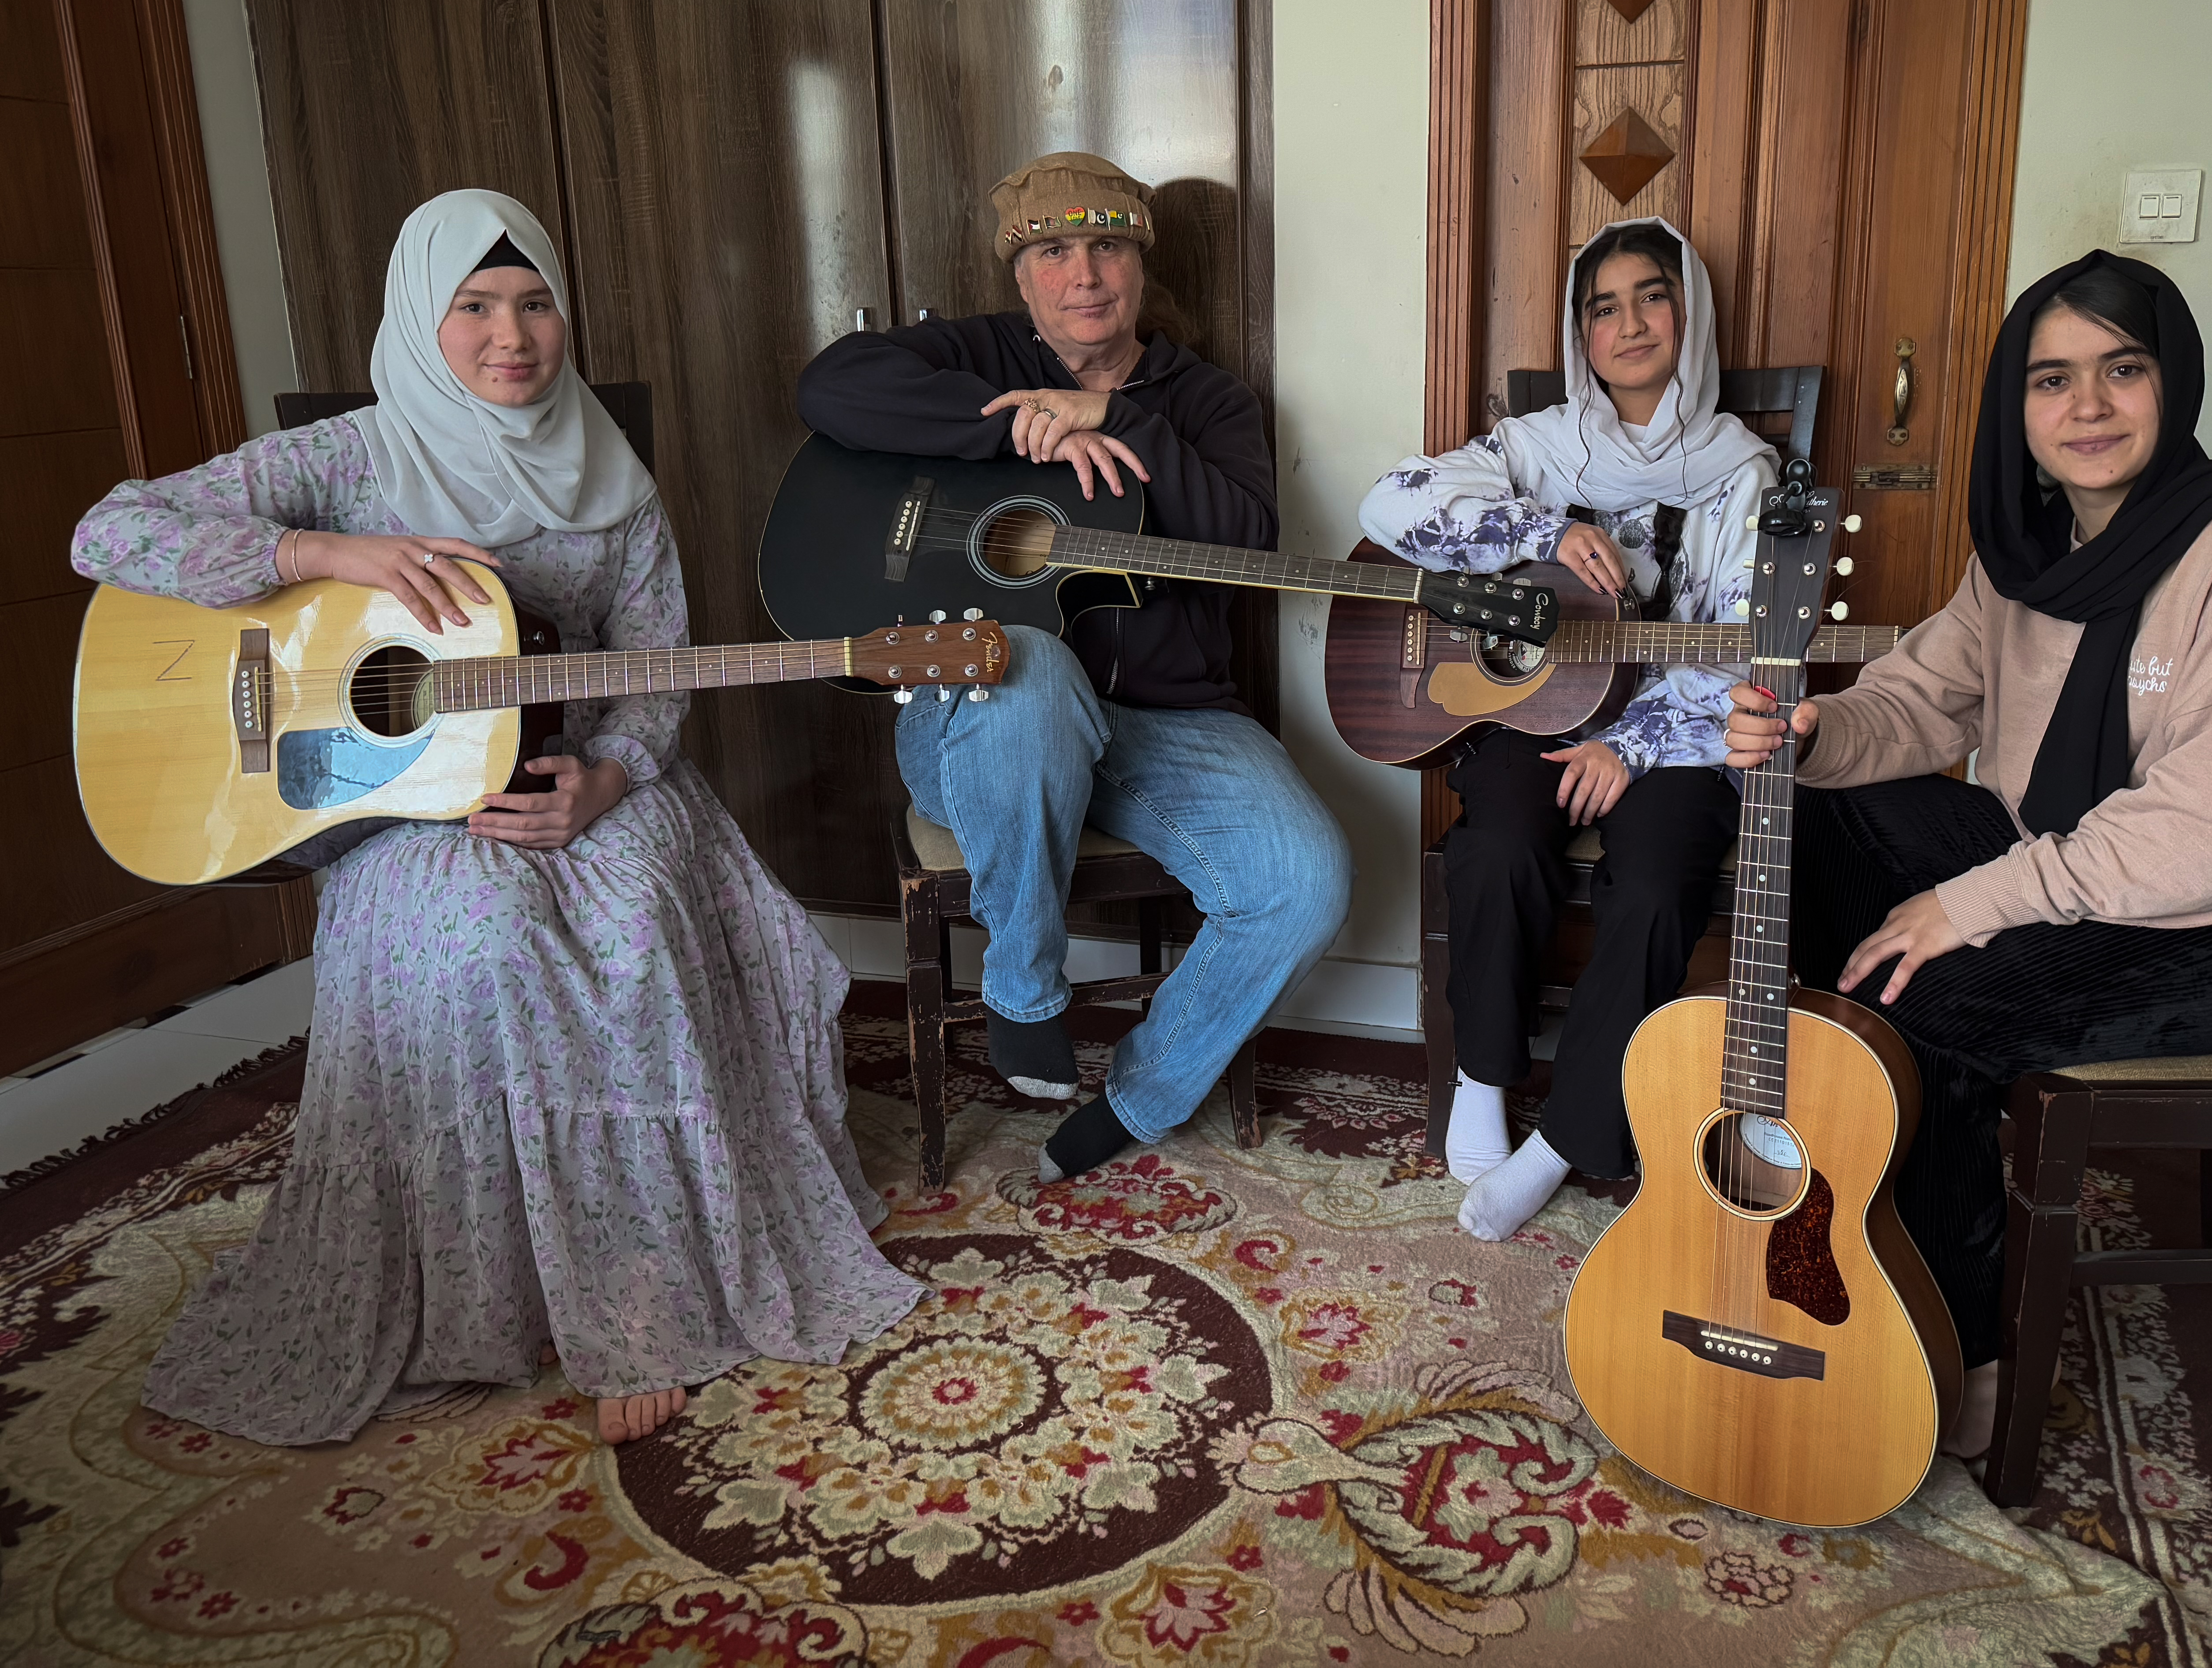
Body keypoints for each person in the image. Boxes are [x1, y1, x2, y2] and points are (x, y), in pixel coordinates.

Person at [75, 190, 924, 1447]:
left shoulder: (613, 478)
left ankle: (637, 1287)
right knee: (478, 940)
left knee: (629, 924)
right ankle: (483, 1289)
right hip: (397, 799)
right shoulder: (347, 460)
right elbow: (110, 530)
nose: (510, 336)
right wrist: (320, 556)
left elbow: (658, 656)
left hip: (590, 762)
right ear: (424, 318)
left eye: (534, 304)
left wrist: (613, 777)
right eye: (473, 306)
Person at [1725, 250, 2212, 1456]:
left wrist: (1971, 903)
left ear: (2172, 381)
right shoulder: (2026, 548)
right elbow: (1926, 701)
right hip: (2073, 864)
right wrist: (1817, 732)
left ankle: (1962, 1343)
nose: (2087, 407)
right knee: (1816, 815)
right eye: (2053, 378)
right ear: (2016, 404)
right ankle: (1852, 1178)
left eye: (2121, 369)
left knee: (1928, 990)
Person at [796, 151, 1350, 1183]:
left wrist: (1120, 421)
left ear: (1141, 267)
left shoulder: (1207, 402)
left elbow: (1249, 546)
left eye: (1108, 247)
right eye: (1055, 251)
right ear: (1022, 277)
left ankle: (1141, 1097)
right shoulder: (974, 355)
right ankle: (1024, 993)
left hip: (1170, 723)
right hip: (981, 715)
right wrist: (1011, 421)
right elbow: (829, 386)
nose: (1084, 273)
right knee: (1035, 665)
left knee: (1304, 881)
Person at [1361, 219, 1775, 1242]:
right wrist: (1546, 530)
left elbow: (1736, 649)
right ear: (1579, 332)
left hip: (1678, 730)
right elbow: (1389, 507)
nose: (1630, 324)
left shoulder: (1743, 469)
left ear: (1692, 314)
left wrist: (1626, 749)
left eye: (1652, 296)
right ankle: (1485, 1077)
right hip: (1542, 704)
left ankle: (1569, 1138)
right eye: (1604, 307)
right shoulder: (1535, 447)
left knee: (1657, 880)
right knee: (1496, 841)